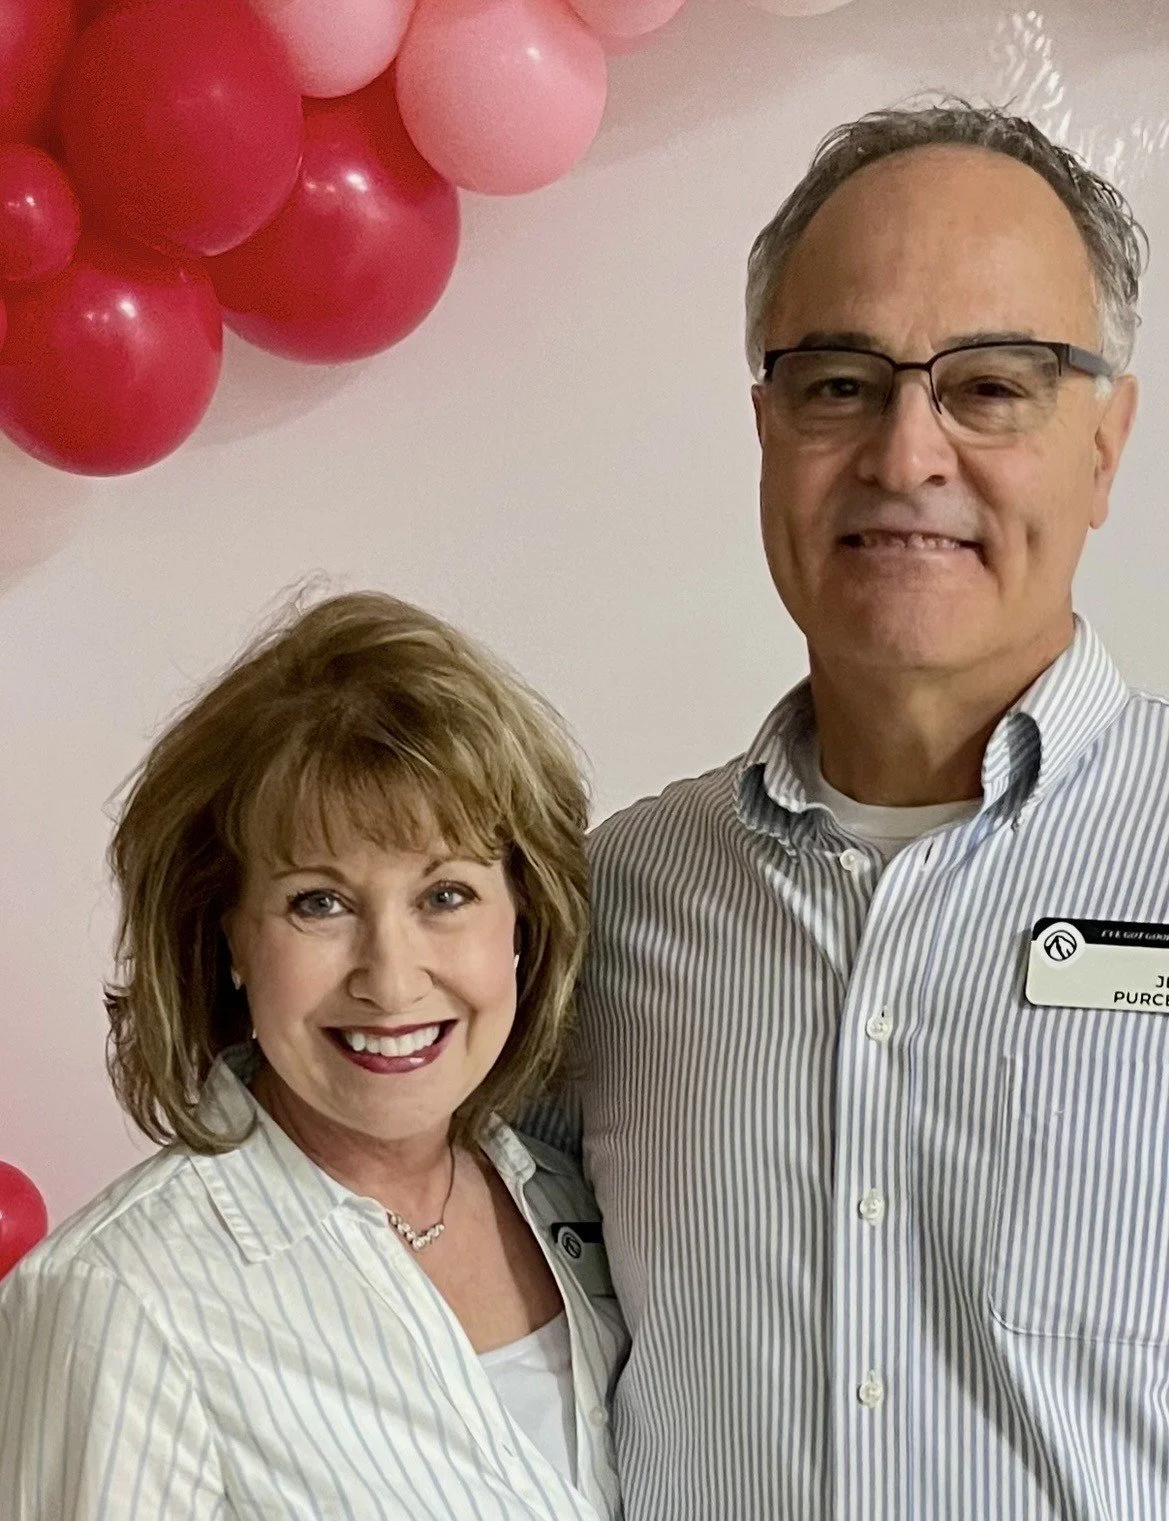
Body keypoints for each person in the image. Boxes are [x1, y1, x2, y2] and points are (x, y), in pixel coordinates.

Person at [536, 101, 1169, 1519]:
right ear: (765, 427)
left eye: (991, 386)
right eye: (839, 382)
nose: (905, 453)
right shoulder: (608, 906)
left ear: (1106, 444)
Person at [0, 591, 627, 1521]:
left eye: (445, 894)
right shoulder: (119, 1300)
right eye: (318, 902)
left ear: (523, 920)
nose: (391, 977)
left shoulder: (581, 1198)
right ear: (230, 939)